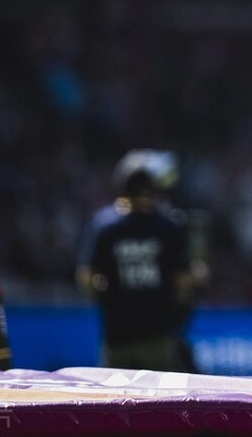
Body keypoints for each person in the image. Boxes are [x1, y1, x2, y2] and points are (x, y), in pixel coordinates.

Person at [76, 150, 199, 372]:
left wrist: (105, 292)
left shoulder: (104, 225)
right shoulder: (167, 227)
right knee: (160, 400)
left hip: (117, 334)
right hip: (158, 336)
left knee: (117, 400)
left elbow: (86, 278)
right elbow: (183, 282)